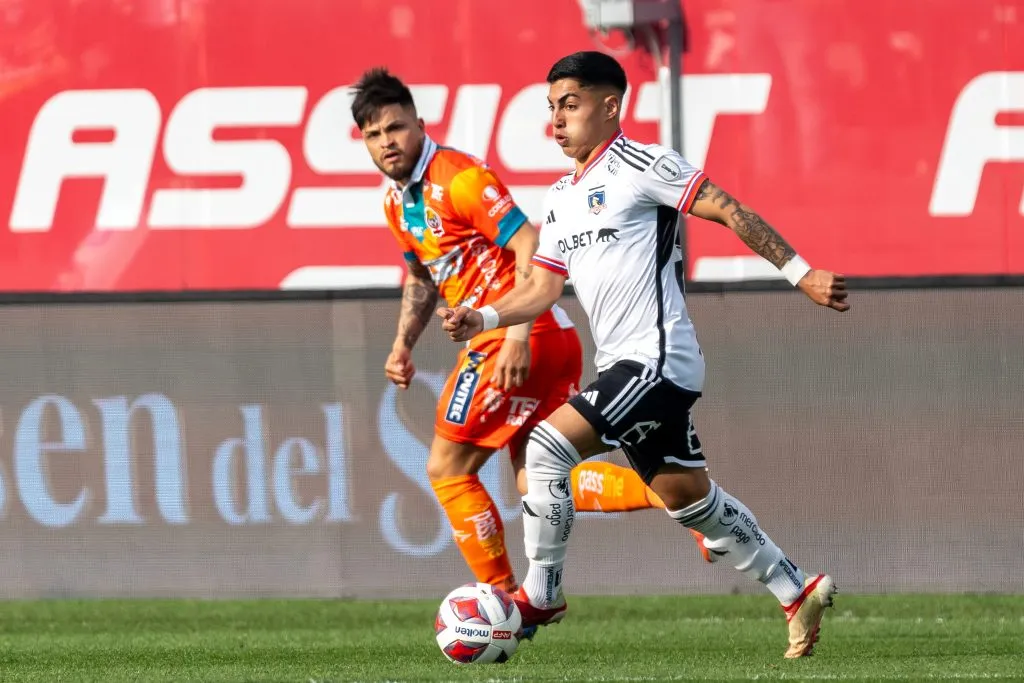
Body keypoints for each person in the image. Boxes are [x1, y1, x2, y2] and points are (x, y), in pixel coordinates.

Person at [438, 51, 849, 659]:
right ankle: (796, 588)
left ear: (610, 106)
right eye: (550, 107)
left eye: (570, 105)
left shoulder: (643, 164)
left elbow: (729, 209)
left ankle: (540, 593)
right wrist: (485, 317)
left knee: (546, 449)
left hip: (658, 361)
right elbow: (545, 288)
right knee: (691, 501)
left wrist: (802, 273)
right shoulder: (558, 199)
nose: (556, 120)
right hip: (626, 369)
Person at [349, 67, 699, 605]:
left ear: (419, 124)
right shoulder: (396, 202)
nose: (386, 142)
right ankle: (674, 497)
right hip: (549, 341)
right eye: (373, 135)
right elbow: (423, 278)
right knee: (534, 481)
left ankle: (503, 598)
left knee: (446, 468)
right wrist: (403, 344)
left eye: (394, 128)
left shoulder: (458, 178)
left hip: (514, 338)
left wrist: (516, 335)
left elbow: (529, 242)